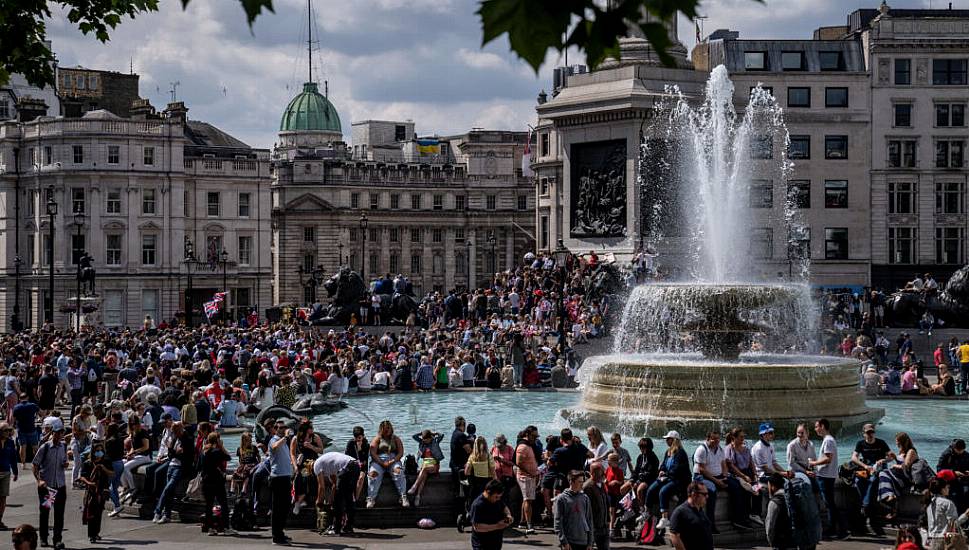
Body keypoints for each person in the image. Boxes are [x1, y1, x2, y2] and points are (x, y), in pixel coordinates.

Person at [32, 417, 68, 549]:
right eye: (57, 432)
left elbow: (64, 461)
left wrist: (65, 463)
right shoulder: (45, 447)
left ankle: (57, 540)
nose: (59, 435)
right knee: (45, 512)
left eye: (61, 432)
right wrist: (39, 480)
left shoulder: (63, 446)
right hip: (48, 487)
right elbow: (35, 465)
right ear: (52, 432)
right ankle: (43, 538)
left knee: (59, 514)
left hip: (60, 486)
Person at [809, 418, 848, 539]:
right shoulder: (828, 440)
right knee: (830, 504)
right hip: (826, 476)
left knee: (830, 504)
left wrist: (813, 463)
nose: (815, 429)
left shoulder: (828, 441)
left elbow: (828, 459)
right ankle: (836, 529)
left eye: (816, 426)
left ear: (822, 426)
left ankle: (841, 530)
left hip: (826, 477)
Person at [850, 422, 891, 535]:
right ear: (864, 434)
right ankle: (866, 504)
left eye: (872, 432)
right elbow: (853, 457)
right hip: (866, 468)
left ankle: (865, 506)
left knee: (873, 481)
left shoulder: (881, 443)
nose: (870, 434)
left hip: (879, 469)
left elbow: (891, 456)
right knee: (858, 480)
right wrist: (864, 466)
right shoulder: (860, 443)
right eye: (868, 432)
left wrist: (883, 460)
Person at [646, 430, 691, 530]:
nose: (666, 441)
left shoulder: (680, 453)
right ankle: (646, 512)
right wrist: (662, 471)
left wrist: (665, 474)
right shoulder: (668, 452)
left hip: (678, 480)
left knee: (663, 491)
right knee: (651, 489)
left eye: (668, 439)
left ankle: (664, 518)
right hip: (668, 478)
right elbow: (663, 465)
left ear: (674, 440)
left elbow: (678, 469)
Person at [153, 421, 193, 525]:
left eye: (176, 431)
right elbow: (171, 454)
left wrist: (173, 452)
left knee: (167, 489)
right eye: (173, 432)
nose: (174, 434)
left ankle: (157, 511)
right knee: (169, 491)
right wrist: (175, 452)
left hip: (180, 467)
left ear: (181, 429)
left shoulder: (187, 440)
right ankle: (167, 515)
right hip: (171, 465)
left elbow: (186, 456)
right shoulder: (175, 438)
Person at [313, 452, 360, 536]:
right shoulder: (327, 463)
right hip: (355, 465)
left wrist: (318, 501)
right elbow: (335, 483)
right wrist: (331, 499)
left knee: (338, 501)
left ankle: (336, 529)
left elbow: (322, 487)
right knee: (348, 498)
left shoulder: (316, 465)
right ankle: (348, 527)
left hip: (347, 467)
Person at [692, 430, 727, 533]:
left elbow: (724, 464)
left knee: (736, 486)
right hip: (701, 477)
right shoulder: (702, 450)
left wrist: (725, 476)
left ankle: (739, 519)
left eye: (718, 439)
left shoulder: (720, 449)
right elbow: (702, 470)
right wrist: (717, 481)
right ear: (707, 439)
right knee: (711, 490)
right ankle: (710, 524)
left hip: (718, 476)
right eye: (714, 439)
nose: (716, 441)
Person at [367, 420, 408, 508]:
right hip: (379, 460)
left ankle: (403, 496)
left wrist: (392, 461)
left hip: (393, 460)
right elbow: (373, 453)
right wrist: (381, 462)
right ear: (381, 429)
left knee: (398, 472)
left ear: (391, 429)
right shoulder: (377, 438)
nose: (386, 430)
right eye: (384, 429)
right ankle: (371, 498)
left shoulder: (396, 438)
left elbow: (400, 453)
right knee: (373, 474)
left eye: (388, 428)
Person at [78, 440, 112, 543]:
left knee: (99, 512)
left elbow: (112, 473)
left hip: (102, 490)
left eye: (101, 451)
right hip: (91, 491)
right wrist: (89, 483)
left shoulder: (106, 462)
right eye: (97, 451)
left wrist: (103, 468)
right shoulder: (88, 463)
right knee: (91, 513)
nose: (99, 453)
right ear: (93, 452)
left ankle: (96, 532)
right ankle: (91, 535)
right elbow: (82, 477)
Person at [724, 427, 758, 530]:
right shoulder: (729, 449)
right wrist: (743, 476)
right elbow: (731, 467)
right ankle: (740, 519)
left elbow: (751, 462)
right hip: (737, 475)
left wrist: (755, 474)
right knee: (743, 491)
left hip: (748, 473)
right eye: (741, 437)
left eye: (744, 437)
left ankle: (754, 514)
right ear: (734, 438)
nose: (743, 439)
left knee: (757, 489)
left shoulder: (746, 447)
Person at [878, 431, 920, 512]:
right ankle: (891, 498)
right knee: (882, 473)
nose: (896, 443)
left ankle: (889, 497)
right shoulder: (902, 451)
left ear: (902, 441)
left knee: (883, 473)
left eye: (897, 441)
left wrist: (894, 465)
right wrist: (893, 458)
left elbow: (905, 466)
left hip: (906, 477)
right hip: (899, 475)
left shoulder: (911, 451)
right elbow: (900, 462)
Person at [199, 432, 232, 535]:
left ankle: (210, 528)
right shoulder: (216, 451)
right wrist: (221, 446)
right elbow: (228, 457)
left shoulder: (204, 451)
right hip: (216, 482)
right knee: (224, 504)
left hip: (206, 481)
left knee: (208, 506)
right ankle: (225, 527)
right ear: (217, 440)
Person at [923, 477, 969, 550]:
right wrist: (966, 515)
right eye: (947, 487)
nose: (948, 489)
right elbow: (953, 524)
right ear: (942, 489)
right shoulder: (947, 503)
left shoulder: (929, 504)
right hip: (944, 540)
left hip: (931, 541)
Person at [268, 420, 295, 545]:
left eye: (284, 427)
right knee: (277, 508)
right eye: (280, 427)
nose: (283, 429)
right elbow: (274, 447)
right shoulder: (273, 440)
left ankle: (280, 532)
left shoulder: (284, 441)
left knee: (285, 506)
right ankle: (276, 536)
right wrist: (285, 437)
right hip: (277, 477)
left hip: (285, 477)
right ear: (275, 429)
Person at [668, 481, 714, 550]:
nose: (707, 496)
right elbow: (674, 536)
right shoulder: (680, 511)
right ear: (694, 494)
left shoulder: (700, 510)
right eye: (704, 494)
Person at [553, 470, 593, 550]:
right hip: (569, 542)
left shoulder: (585, 498)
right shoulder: (562, 499)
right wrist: (564, 542)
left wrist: (590, 542)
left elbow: (589, 520)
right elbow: (558, 522)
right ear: (571, 482)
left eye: (583, 481)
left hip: (584, 541)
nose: (582, 484)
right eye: (579, 482)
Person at [470, 479, 513, 550]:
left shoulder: (497, 500)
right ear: (488, 492)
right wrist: (497, 526)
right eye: (496, 497)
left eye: (500, 497)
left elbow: (504, 507)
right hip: (482, 544)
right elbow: (477, 527)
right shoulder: (478, 505)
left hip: (495, 542)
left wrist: (508, 515)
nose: (498, 499)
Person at [408, 429, 443, 506]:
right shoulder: (422, 443)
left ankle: (414, 486)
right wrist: (421, 433)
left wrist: (434, 433)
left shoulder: (435, 442)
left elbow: (441, 435)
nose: (425, 441)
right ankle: (418, 496)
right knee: (423, 477)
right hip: (425, 465)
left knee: (423, 470)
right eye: (424, 440)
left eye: (426, 440)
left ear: (430, 438)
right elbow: (414, 436)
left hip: (434, 465)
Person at [514, 428, 539, 535]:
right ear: (527, 434)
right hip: (525, 477)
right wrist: (530, 473)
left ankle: (522, 521)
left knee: (526, 499)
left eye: (536, 437)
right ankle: (529, 525)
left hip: (529, 477)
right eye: (534, 436)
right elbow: (518, 462)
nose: (535, 439)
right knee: (528, 500)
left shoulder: (528, 445)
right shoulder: (523, 446)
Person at [583, 463, 610, 550]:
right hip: (593, 527)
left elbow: (605, 503)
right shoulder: (587, 487)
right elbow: (586, 509)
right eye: (601, 472)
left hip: (604, 526)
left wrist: (608, 519)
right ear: (593, 473)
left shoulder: (602, 485)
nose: (603, 474)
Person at [937, 439, 969, 512]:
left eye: (962, 450)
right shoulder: (946, 455)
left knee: (966, 492)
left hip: (963, 480)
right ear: (954, 448)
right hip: (950, 481)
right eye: (959, 450)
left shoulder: (966, 455)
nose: (961, 452)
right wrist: (953, 473)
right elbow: (939, 471)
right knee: (954, 496)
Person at [632, 437, 659, 510]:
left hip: (650, 479)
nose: (641, 449)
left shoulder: (653, 458)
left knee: (639, 489)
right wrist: (633, 479)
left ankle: (643, 510)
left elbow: (651, 473)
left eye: (643, 447)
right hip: (641, 479)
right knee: (628, 487)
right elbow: (636, 470)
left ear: (649, 448)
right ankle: (632, 508)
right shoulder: (640, 457)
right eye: (640, 447)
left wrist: (639, 480)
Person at [0, 423, 18, 529]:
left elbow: (13, 458)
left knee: (3, 497)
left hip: (6, 472)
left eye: (9, 430)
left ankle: (0, 519)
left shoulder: (10, 443)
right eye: (5, 430)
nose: (8, 432)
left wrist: (15, 472)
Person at [12, 394, 39, 465]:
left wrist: (12, 427)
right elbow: (41, 413)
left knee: (22, 446)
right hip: (31, 429)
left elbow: (13, 419)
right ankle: (37, 462)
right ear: (27, 397)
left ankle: (23, 464)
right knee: (35, 446)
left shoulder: (16, 407)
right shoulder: (32, 405)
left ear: (20, 399)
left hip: (21, 430)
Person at [344, 426, 369, 501]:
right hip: (352, 465)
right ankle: (351, 498)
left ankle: (356, 499)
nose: (358, 439)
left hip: (362, 467)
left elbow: (364, 460)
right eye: (356, 437)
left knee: (361, 478)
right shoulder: (350, 443)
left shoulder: (366, 444)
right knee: (350, 479)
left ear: (363, 436)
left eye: (360, 437)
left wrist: (360, 449)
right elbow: (346, 457)